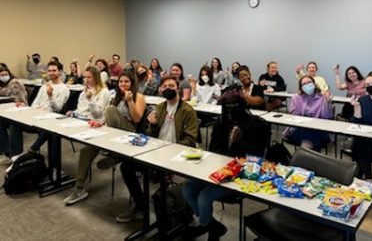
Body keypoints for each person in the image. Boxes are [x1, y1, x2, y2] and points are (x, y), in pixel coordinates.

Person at [183, 88, 270, 241]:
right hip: (218, 169)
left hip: (242, 174)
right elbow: (213, 149)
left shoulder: (255, 125)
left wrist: (239, 142)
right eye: (227, 106)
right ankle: (212, 226)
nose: (230, 110)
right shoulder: (221, 122)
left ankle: (208, 226)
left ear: (242, 105)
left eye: (234, 105)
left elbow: (254, 158)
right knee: (188, 188)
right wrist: (224, 156)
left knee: (204, 197)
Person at [115, 75, 198, 222]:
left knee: (161, 189)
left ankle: (169, 209)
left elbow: (191, 139)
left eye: (171, 86)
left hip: (175, 154)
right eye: (164, 87)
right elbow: (150, 135)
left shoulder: (188, 110)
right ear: (160, 90)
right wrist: (152, 125)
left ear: (178, 88)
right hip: (157, 152)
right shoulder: (160, 108)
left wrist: (172, 148)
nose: (168, 89)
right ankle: (141, 205)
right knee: (126, 167)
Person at [64, 71, 144, 206]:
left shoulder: (139, 97)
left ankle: (114, 154)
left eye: (126, 81)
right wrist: (101, 124)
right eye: (121, 82)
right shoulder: (116, 96)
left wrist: (130, 101)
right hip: (113, 134)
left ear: (132, 83)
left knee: (111, 110)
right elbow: (110, 120)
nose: (123, 84)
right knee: (85, 150)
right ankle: (79, 188)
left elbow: (137, 118)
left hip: (130, 135)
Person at [30, 66, 109, 154]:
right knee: (53, 128)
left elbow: (97, 114)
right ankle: (54, 164)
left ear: (96, 78)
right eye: (85, 77)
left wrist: (90, 99)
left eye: (89, 77)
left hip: (92, 121)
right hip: (80, 118)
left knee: (53, 130)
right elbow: (80, 109)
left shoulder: (104, 92)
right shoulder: (84, 91)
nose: (86, 80)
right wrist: (73, 112)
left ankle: (34, 150)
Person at [0, 66, 28, 166]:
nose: (4, 76)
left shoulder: (15, 83)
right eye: (1, 75)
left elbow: (19, 101)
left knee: (14, 126)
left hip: (21, 112)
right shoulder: (5, 84)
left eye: (6, 74)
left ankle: (16, 157)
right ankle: (4, 154)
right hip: (10, 112)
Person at [284, 76, 334, 151]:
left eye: (309, 82)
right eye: (304, 84)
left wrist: (327, 103)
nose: (307, 85)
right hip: (300, 127)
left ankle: (304, 157)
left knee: (312, 136)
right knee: (308, 134)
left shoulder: (322, 97)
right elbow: (294, 114)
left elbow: (327, 117)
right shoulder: (296, 97)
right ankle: (311, 158)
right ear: (301, 87)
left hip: (318, 128)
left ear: (314, 83)